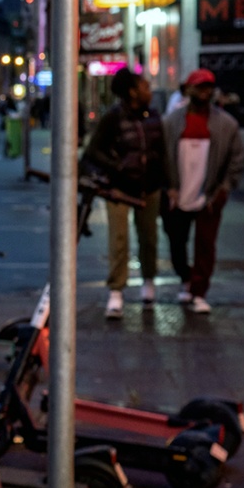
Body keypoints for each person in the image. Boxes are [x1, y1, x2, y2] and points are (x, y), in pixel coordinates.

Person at [82, 66, 165, 318]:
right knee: (119, 240)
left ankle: (148, 281)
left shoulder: (153, 116)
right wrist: (117, 166)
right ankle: (116, 290)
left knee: (148, 237)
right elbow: (92, 151)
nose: (149, 91)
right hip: (118, 187)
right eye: (145, 86)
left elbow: (163, 153)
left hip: (149, 186)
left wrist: (168, 183)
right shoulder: (113, 117)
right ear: (132, 91)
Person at [162, 68, 244, 315]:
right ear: (189, 90)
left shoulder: (226, 125)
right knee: (176, 241)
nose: (205, 92)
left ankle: (199, 291)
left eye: (208, 87)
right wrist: (171, 186)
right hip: (178, 193)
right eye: (200, 87)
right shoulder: (172, 122)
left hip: (209, 194)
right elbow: (163, 156)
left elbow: (236, 158)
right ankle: (185, 276)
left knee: (205, 244)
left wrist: (225, 188)